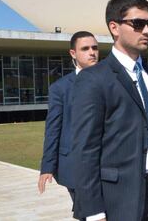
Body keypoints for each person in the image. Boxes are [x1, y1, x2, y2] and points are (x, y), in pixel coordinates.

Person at [71, 0, 148, 221]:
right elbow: (85, 151)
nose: (146, 30)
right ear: (114, 28)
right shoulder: (93, 79)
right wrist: (94, 212)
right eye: (138, 24)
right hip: (120, 200)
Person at [38, 31, 99, 202]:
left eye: (95, 48)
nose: (92, 52)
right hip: (75, 166)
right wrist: (47, 167)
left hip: (108, 165)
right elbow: (53, 129)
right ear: (73, 53)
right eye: (85, 48)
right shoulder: (60, 88)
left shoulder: (112, 81)